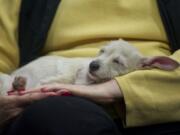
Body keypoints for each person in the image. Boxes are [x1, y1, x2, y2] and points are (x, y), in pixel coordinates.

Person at [0, 0, 180, 135]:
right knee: (59, 117)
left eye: (117, 61)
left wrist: (115, 89)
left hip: (158, 96)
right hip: (59, 103)